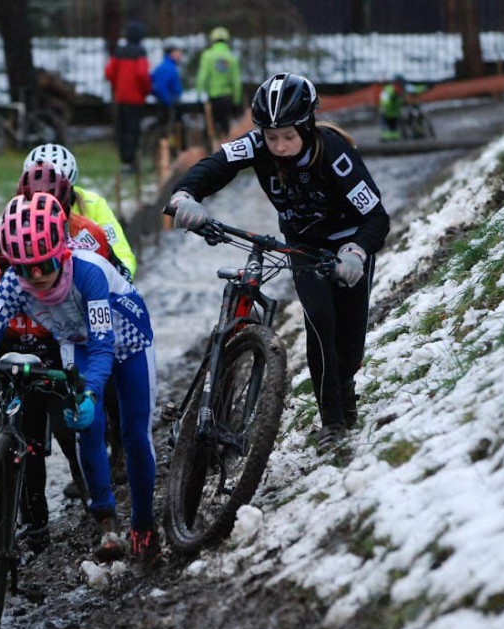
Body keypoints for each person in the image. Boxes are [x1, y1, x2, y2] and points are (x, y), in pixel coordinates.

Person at [0, 192, 159, 563]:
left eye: (44, 264)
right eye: (24, 268)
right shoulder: (12, 283)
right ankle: (106, 523)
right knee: (85, 427)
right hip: (76, 341)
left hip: (126, 343)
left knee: (134, 435)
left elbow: (104, 347)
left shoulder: (88, 271)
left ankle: (144, 524)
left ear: (63, 251)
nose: (36, 277)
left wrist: (90, 392)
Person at [169, 72, 390, 452]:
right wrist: (186, 194)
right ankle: (332, 421)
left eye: (288, 137)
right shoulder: (258, 145)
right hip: (303, 246)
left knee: (349, 342)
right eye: (272, 138)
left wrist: (356, 251)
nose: (280, 146)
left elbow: (377, 217)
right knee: (320, 321)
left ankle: (346, 388)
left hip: (347, 246)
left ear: (306, 128)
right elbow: (217, 164)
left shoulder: (335, 154)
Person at [0, 143, 138, 288]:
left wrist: (114, 281)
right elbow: (0, 246)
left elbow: (120, 253)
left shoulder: (93, 204)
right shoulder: (23, 207)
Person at [104, 20, 153, 173]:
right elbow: (142, 75)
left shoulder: (119, 52)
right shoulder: (140, 53)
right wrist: (146, 91)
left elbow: (109, 73)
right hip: (136, 99)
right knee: (133, 130)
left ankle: (124, 160)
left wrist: (117, 85)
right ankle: (131, 161)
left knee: (123, 129)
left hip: (121, 97)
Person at [196, 26, 242, 139]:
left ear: (212, 40)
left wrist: (199, 96)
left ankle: (209, 151)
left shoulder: (207, 55)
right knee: (225, 129)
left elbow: (202, 77)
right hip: (227, 98)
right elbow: (236, 82)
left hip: (212, 99)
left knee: (210, 129)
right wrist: (237, 101)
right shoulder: (232, 57)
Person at [151, 42, 185, 142]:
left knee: (168, 128)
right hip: (168, 103)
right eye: (178, 53)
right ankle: (168, 151)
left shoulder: (168, 66)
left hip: (168, 102)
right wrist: (168, 101)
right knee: (168, 129)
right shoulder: (168, 67)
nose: (180, 55)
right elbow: (160, 86)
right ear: (172, 53)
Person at [380, 74, 406, 141]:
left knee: (394, 130)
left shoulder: (400, 90)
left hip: (395, 113)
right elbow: (384, 101)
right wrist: (391, 99)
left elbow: (401, 100)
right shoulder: (388, 90)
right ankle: (385, 139)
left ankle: (394, 139)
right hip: (387, 113)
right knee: (386, 129)